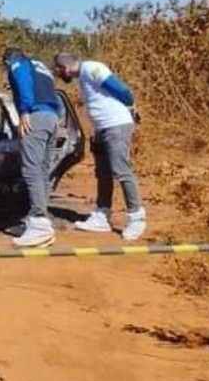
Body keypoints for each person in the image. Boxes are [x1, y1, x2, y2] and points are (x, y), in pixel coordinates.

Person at [52, 52, 146, 240]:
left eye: (60, 72)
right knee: (103, 173)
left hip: (115, 125)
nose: (62, 76)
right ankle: (102, 215)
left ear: (64, 68)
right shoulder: (84, 75)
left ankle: (136, 217)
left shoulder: (92, 68)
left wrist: (131, 105)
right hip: (102, 128)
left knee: (121, 170)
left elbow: (121, 90)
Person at [3, 48, 61, 248]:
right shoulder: (41, 66)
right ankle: (39, 219)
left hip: (35, 117)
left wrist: (25, 110)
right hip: (52, 118)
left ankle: (39, 224)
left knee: (31, 169)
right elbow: (54, 95)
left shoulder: (18, 62)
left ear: (7, 61)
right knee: (43, 170)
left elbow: (23, 82)